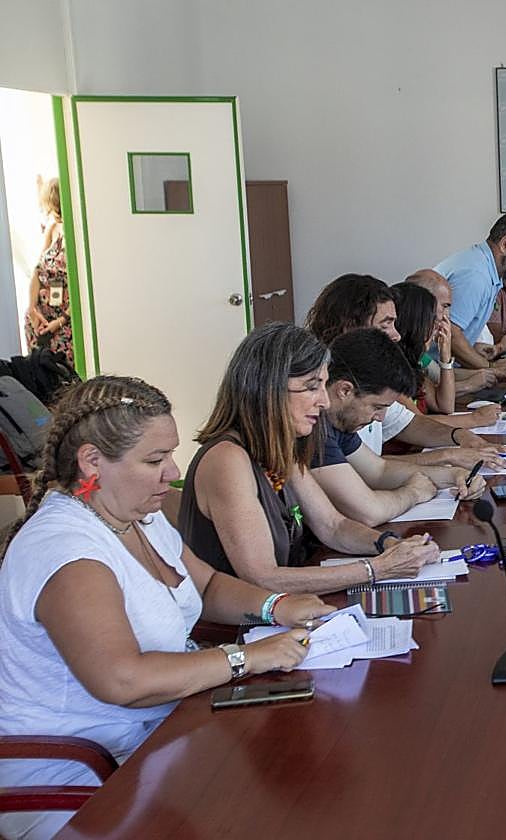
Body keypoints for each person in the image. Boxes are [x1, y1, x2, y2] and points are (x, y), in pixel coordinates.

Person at [0, 376, 332, 840]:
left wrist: (276, 605)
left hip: (156, 738)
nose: (173, 472)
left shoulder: (136, 516)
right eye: (155, 460)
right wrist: (246, 658)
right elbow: (123, 680)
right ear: (92, 461)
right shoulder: (66, 552)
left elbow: (208, 585)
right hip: (83, 781)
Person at [179, 324, 441, 595]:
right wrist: (377, 569)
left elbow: (333, 525)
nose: (324, 402)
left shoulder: (280, 446)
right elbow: (262, 578)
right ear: (270, 388)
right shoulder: (227, 459)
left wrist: (389, 544)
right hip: (239, 629)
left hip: (286, 611)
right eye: (312, 387)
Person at [305, 273, 502, 465]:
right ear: (350, 327)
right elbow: (370, 470)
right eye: (386, 325)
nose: (396, 335)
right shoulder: (322, 399)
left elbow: (411, 424)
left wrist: (460, 436)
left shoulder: (377, 372)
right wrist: (448, 454)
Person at [312, 328, 487, 526]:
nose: (379, 418)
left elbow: (379, 470)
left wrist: (454, 475)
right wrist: (412, 493)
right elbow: (369, 512)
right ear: (345, 390)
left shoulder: (339, 421)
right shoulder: (315, 426)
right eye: (376, 407)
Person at [435, 212, 506, 375]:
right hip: (429, 373)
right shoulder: (476, 275)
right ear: (505, 244)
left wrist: (481, 350)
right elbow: (451, 336)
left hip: (443, 367)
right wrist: (490, 368)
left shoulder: (485, 268)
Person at [391, 282, 501, 427]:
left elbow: (444, 405)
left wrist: (445, 354)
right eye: (432, 321)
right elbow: (416, 424)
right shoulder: (392, 367)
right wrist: (475, 418)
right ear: (415, 323)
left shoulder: (414, 361)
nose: (440, 323)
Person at [405, 269, 500, 399]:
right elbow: (437, 397)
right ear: (421, 305)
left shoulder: (420, 354)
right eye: (444, 306)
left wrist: (491, 373)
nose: (446, 316)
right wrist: (470, 385)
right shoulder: (401, 353)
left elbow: (440, 375)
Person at [23, 177, 73, 364]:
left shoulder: (77, 233)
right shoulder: (53, 228)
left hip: (63, 322)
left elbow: (81, 290)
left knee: (63, 376)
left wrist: (59, 322)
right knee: (37, 372)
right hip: (40, 318)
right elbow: (37, 270)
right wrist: (32, 308)